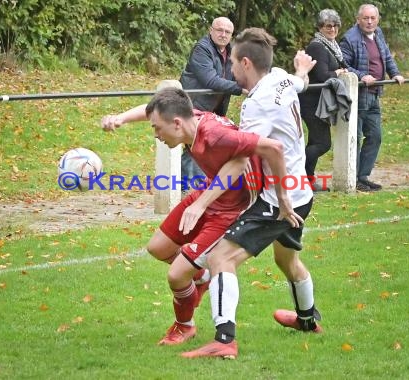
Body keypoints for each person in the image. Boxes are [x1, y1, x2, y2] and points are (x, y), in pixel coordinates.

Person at [101, 87, 292, 346]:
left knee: (177, 275)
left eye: (157, 129)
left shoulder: (215, 134)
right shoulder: (192, 118)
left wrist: (282, 198)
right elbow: (152, 112)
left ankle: (185, 326)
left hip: (229, 209)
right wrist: (121, 118)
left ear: (177, 124)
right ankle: (201, 278)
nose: (156, 135)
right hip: (210, 193)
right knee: (158, 247)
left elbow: (253, 155)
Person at [181, 28, 321, 359]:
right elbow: (299, 83)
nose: (229, 70)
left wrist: (202, 202)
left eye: (231, 63)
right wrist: (301, 69)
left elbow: (242, 160)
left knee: (220, 259)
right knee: (288, 260)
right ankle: (307, 320)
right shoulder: (281, 78)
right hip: (302, 191)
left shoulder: (256, 105)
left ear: (246, 63)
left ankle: (224, 340)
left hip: (280, 198)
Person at [339, 4, 405, 192]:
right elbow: (343, 66)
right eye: (365, 18)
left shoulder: (379, 34)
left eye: (372, 18)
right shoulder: (349, 39)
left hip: (375, 93)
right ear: (358, 19)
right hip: (359, 95)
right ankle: (353, 178)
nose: (369, 22)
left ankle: (363, 176)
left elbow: (386, 57)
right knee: (356, 137)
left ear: (377, 19)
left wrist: (395, 73)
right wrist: (361, 76)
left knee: (375, 136)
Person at [179, 17, 245, 191]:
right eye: (219, 30)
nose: (223, 34)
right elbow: (210, 80)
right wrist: (241, 88)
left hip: (214, 107)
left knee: (204, 144)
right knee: (194, 142)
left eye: (227, 32)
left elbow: (240, 72)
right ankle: (188, 187)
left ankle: (195, 185)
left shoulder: (232, 52)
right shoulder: (202, 49)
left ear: (232, 35)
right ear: (211, 30)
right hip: (193, 103)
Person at [299, 9, 348, 192]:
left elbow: (343, 66)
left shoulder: (332, 45)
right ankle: (295, 174)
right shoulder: (317, 46)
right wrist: (337, 73)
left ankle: (306, 181)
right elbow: (321, 76)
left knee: (314, 142)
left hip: (320, 102)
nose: (333, 29)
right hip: (311, 102)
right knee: (322, 143)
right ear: (320, 27)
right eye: (328, 25)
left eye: (336, 25)